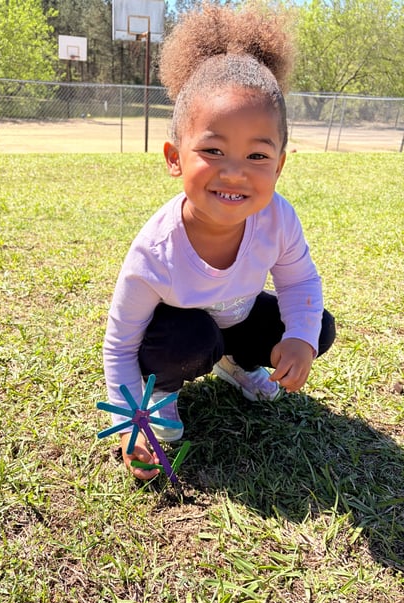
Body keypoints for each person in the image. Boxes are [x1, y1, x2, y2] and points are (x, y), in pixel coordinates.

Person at [102, 4, 336, 480]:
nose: (235, 171)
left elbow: (300, 281)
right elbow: (120, 347)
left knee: (318, 327)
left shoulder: (277, 218)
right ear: (174, 157)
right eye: (213, 150)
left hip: (238, 320)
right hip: (181, 336)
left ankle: (236, 363)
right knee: (189, 338)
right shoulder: (155, 252)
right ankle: (162, 396)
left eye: (257, 154)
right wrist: (131, 423)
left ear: (279, 165)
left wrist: (299, 339)